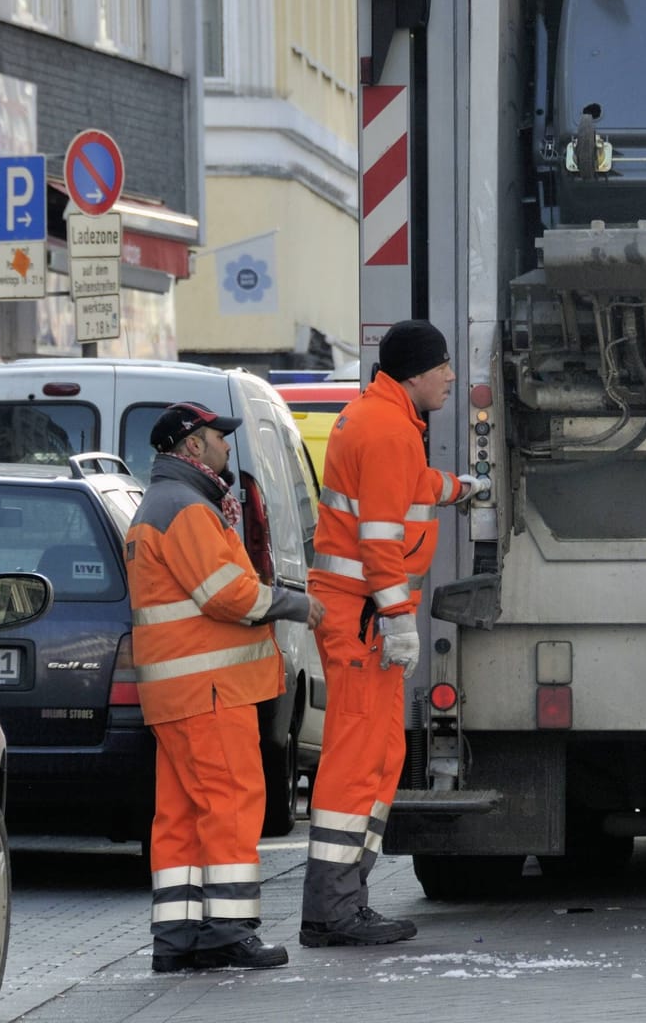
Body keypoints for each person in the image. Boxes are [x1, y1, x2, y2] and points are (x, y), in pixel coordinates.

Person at [299, 320, 489, 948]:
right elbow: (380, 539)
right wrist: (398, 618)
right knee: (358, 760)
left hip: (361, 616)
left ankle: (342, 903)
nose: (452, 377)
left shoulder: (381, 420)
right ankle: (332, 911)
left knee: (378, 755)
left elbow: (412, 491)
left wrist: (463, 488)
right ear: (415, 372)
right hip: (365, 619)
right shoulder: (385, 431)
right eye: (443, 367)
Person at [127, 401, 322, 972]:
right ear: (191, 446)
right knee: (231, 804)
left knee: (182, 814)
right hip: (209, 690)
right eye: (218, 437)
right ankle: (228, 930)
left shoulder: (160, 507)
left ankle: (179, 935)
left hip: (179, 694)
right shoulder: (186, 509)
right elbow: (227, 595)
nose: (227, 446)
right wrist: (293, 603)